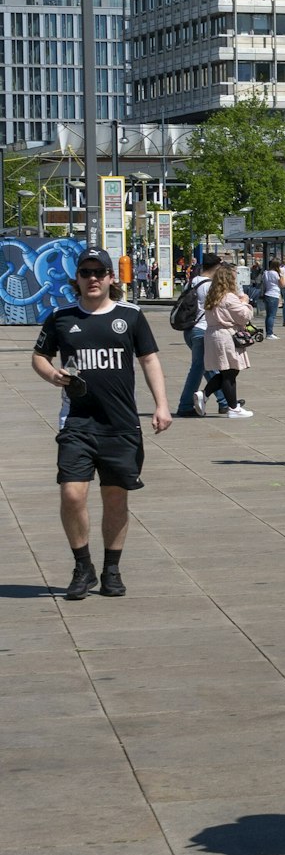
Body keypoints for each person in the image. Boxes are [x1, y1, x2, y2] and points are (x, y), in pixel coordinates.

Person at [30, 246, 172, 600]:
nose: (92, 278)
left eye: (99, 272)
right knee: (72, 493)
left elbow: (149, 360)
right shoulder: (61, 317)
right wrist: (52, 374)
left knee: (115, 498)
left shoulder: (130, 315)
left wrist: (162, 405)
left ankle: (112, 569)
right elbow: (39, 356)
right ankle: (83, 567)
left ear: (111, 277)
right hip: (77, 422)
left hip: (120, 424)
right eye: (85, 273)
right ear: (76, 279)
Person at [175, 253, 232, 418]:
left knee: (208, 367)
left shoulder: (192, 282)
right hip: (202, 331)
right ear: (217, 267)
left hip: (190, 330)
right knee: (197, 369)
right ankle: (185, 405)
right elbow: (220, 308)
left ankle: (225, 402)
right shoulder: (210, 286)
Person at [197, 264, 256, 419]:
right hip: (226, 336)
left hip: (213, 334)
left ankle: (205, 394)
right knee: (230, 371)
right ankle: (233, 408)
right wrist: (245, 302)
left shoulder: (213, 295)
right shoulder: (228, 297)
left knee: (226, 371)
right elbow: (244, 316)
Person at [260, 260, 284, 338]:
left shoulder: (266, 273)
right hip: (274, 294)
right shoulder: (275, 273)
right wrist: (282, 275)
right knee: (272, 316)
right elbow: (282, 284)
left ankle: (268, 332)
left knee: (268, 315)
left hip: (267, 294)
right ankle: (269, 333)